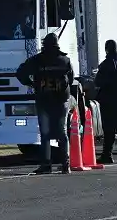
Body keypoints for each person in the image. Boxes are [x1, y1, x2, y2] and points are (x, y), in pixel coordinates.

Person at [15, 33, 75, 174]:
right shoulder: (65, 60)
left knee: (45, 134)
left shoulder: (37, 60)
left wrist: (31, 84)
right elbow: (70, 80)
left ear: (44, 44)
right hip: (61, 101)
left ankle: (46, 165)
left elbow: (20, 73)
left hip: (44, 100)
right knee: (62, 133)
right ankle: (66, 165)